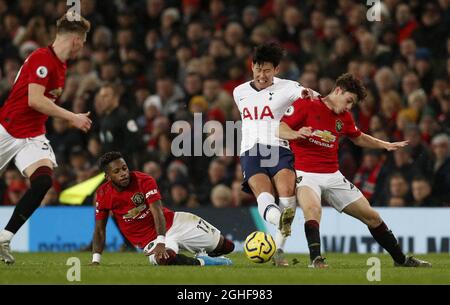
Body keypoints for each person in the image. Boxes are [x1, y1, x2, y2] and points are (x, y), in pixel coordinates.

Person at [278, 73, 431, 268]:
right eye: (349, 101)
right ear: (338, 90)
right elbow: (280, 128)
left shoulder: (344, 117)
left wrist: (384, 144)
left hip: (333, 175)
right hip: (305, 173)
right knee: (313, 210)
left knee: (372, 217)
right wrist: (296, 133)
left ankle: (401, 260)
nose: (349, 107)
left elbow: (358, 137)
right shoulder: (306, 104)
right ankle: (316, 259)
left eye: (353, 104)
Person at [0, 13, 92, 265]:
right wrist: (72, 117)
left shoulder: (60, 66)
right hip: (7, 130)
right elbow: (35, 100)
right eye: (83, 41)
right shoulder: (43, 59)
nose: (83, 46)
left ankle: (4, 238)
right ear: (75, 40)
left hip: (32, 135)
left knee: (42, 183)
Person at [233, 42, 315, 266]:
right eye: (258, 68)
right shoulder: (239, 92)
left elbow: (306, 93)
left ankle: (278, 251)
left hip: (279, 147)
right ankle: (281, 222)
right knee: (264, 196)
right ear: (252, 67)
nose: (262, 74)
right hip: (251, 151)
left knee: (288, 194)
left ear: (276, 70)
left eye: (267, 70)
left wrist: (306, 93)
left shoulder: (288, 87)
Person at [91, 152, 234, 266]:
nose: (123, 173)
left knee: (227, 246)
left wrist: (161, 241)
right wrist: (96, 260)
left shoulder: (144, 180)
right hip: (149, 240)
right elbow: (99, 229)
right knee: (164, 258)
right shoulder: (103, 194)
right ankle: (203, 262)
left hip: (175, 223)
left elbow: (157, 211)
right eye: (117, 171)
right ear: (108, 177)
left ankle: (208, 253)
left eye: (124, 168)